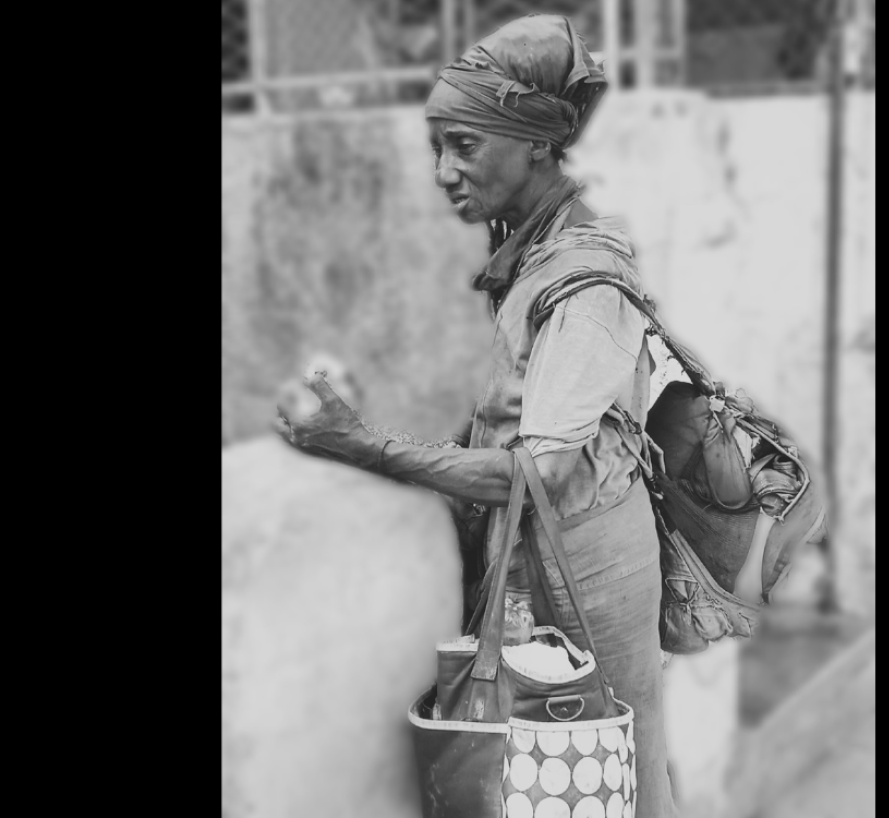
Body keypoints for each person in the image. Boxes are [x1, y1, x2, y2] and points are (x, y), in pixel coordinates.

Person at [275, 14, 678, 817]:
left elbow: (539, 470)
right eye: (438, 148)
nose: (441, 172)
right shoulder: (531, 249)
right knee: (547, 778)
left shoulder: (586, 280)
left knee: (611, 775)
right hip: (541, 551)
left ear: (534, 144)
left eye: (464, 146)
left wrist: (367, 446)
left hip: (587, 569)